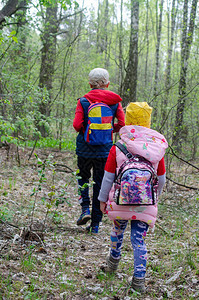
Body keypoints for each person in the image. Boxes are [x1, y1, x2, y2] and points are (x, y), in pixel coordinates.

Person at [98, 102, 168, 292]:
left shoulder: (118, 147)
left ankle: (113, 261)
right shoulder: (156, 149)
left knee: (117, 231)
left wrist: (103, 200)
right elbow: (161, 181)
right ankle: (138, 279)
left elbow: (108, 178)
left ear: (127, 121)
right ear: (148, 121)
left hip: (120, 202)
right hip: (145, 204)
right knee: (139, 240)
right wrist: (154, 198)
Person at [73, 68, 125, 234]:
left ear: (90, 84)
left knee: (83, 178)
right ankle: (95, 225)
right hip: (104, 150)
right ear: (107, 84)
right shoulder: (115, 102)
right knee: (100, 184)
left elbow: (76, 125)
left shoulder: (83, 101)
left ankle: (85, 209)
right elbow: (122, 124)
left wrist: (87, 130)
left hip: (84, 148)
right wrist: (110, 130)